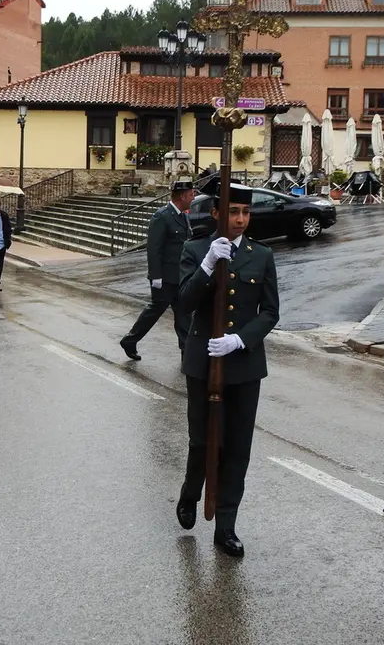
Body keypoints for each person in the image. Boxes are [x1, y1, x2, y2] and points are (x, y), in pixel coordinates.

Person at [175, 179, 280, 558]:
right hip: (203, 363)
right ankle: (191, 491)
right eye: (233, 212)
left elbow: (270, 311)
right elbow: (185, 302)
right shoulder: (196, 249)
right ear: (218, 213)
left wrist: (241, 339)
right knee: (203, 440)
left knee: (237, 446)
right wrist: (207, 265)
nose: (240, 219)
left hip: (243, 365)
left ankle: (226, 525)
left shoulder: (261, 255)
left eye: (246, 212)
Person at [120, 180, 196, 360]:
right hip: (165, 277)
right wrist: (156, 276)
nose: (194, 198)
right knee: (154, 312)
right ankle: (130, 340)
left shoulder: (184, 216)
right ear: (183, 196)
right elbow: (154, 249)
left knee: (184, 313)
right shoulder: (162, 216)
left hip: (180, 276)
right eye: (192, 194)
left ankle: (187, 352)